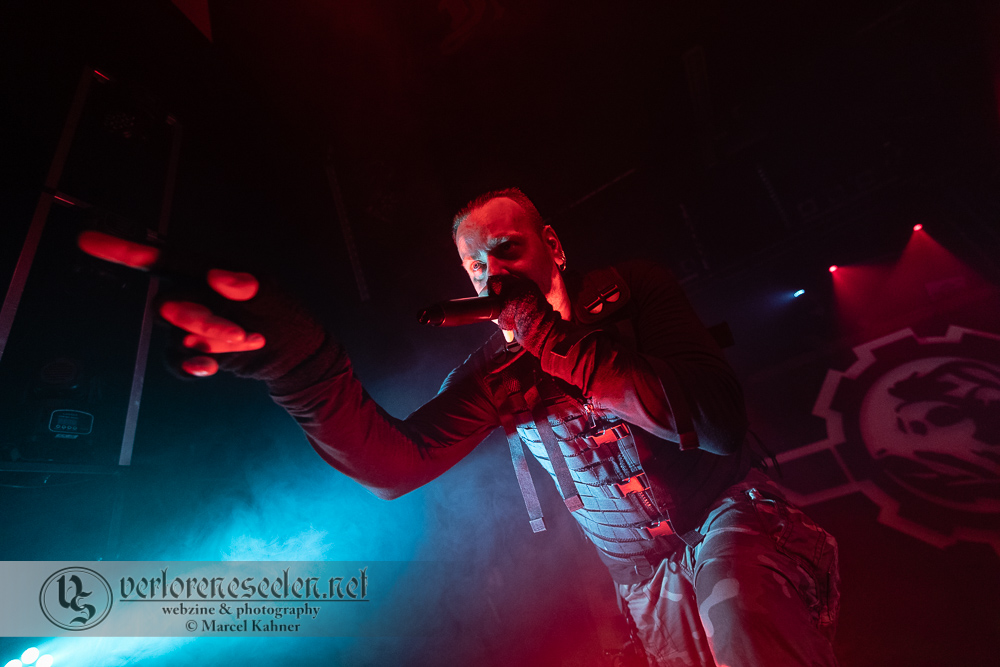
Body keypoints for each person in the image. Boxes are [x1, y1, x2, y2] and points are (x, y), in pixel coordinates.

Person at [78, 188, 840, 666]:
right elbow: (396, 464)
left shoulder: (632, 293)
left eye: (507, 249)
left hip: (733, 522)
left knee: (740, 604)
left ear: (554, 247)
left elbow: (713, 421)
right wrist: (299, 365)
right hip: (642, 583)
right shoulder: (493, 372)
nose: (492, 273)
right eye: (477, 266)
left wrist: (547, 336)